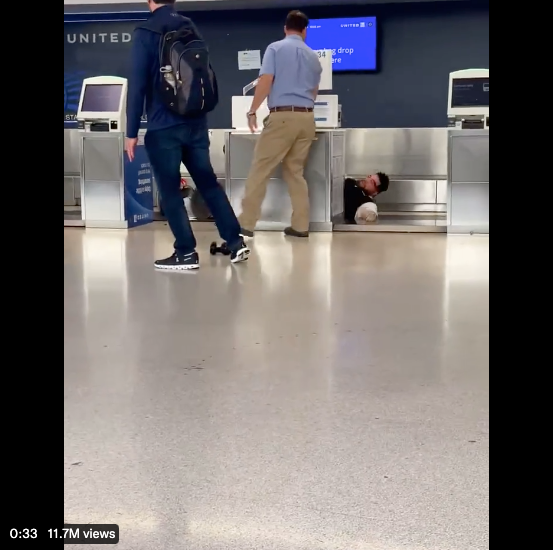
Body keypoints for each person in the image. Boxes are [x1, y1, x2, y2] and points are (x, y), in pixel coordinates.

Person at [125, 0, 250, 270]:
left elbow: (137, 86)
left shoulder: (146, 32)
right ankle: (236, 242)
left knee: (170, 190)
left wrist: (131, 132)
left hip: (163, 125)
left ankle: (185, 252)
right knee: (208, 183)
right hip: (196, 123)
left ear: (150, 2)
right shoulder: (189, 27)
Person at [238, 10, 323, 239]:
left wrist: (253, 109)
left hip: (282, 116)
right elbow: (314, 92)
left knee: (260, 169)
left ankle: (246, 224)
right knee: (295, 172)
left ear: (285, 28)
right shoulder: (314, 58)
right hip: (307, 119)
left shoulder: (275, 48)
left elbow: (266, 80)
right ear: (305, 31)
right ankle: (301, 225)